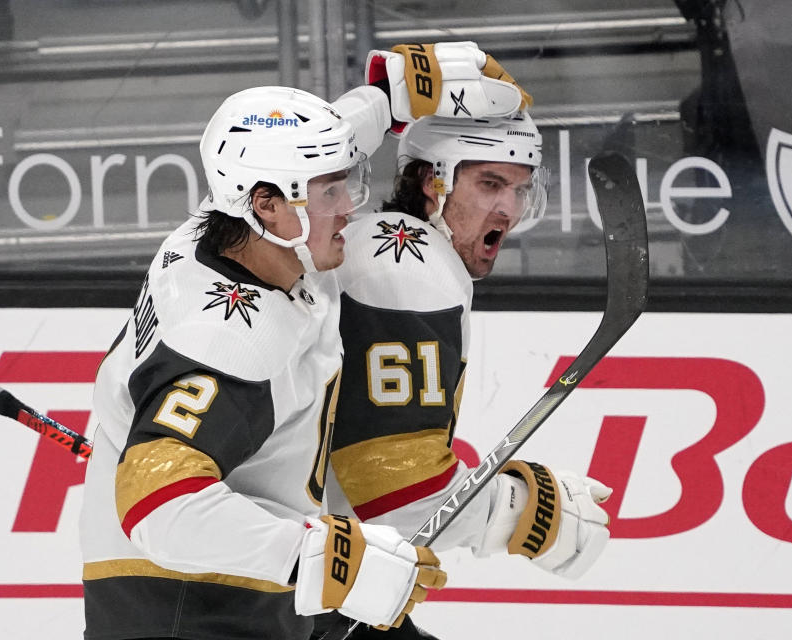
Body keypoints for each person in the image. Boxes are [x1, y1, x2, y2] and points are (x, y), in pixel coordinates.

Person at [79, 43, 528, 640]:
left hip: (243, 585)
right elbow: (160, 506)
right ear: (267, 206)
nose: (349, 210)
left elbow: (321, 142)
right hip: (191, 605)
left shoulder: (222, 225)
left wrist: (395, 94)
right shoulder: (229, 341)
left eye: (347, 185)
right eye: (329, 195)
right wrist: (321, 559)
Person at [322, 57, 615, 639]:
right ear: (433, 183)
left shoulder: (377, 247)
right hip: (283, 582)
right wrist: (525, 512)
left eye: (519, 189)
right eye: (489, 183)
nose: (507, 208)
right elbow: (394, 490)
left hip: (307, 567)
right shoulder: (407, 271)